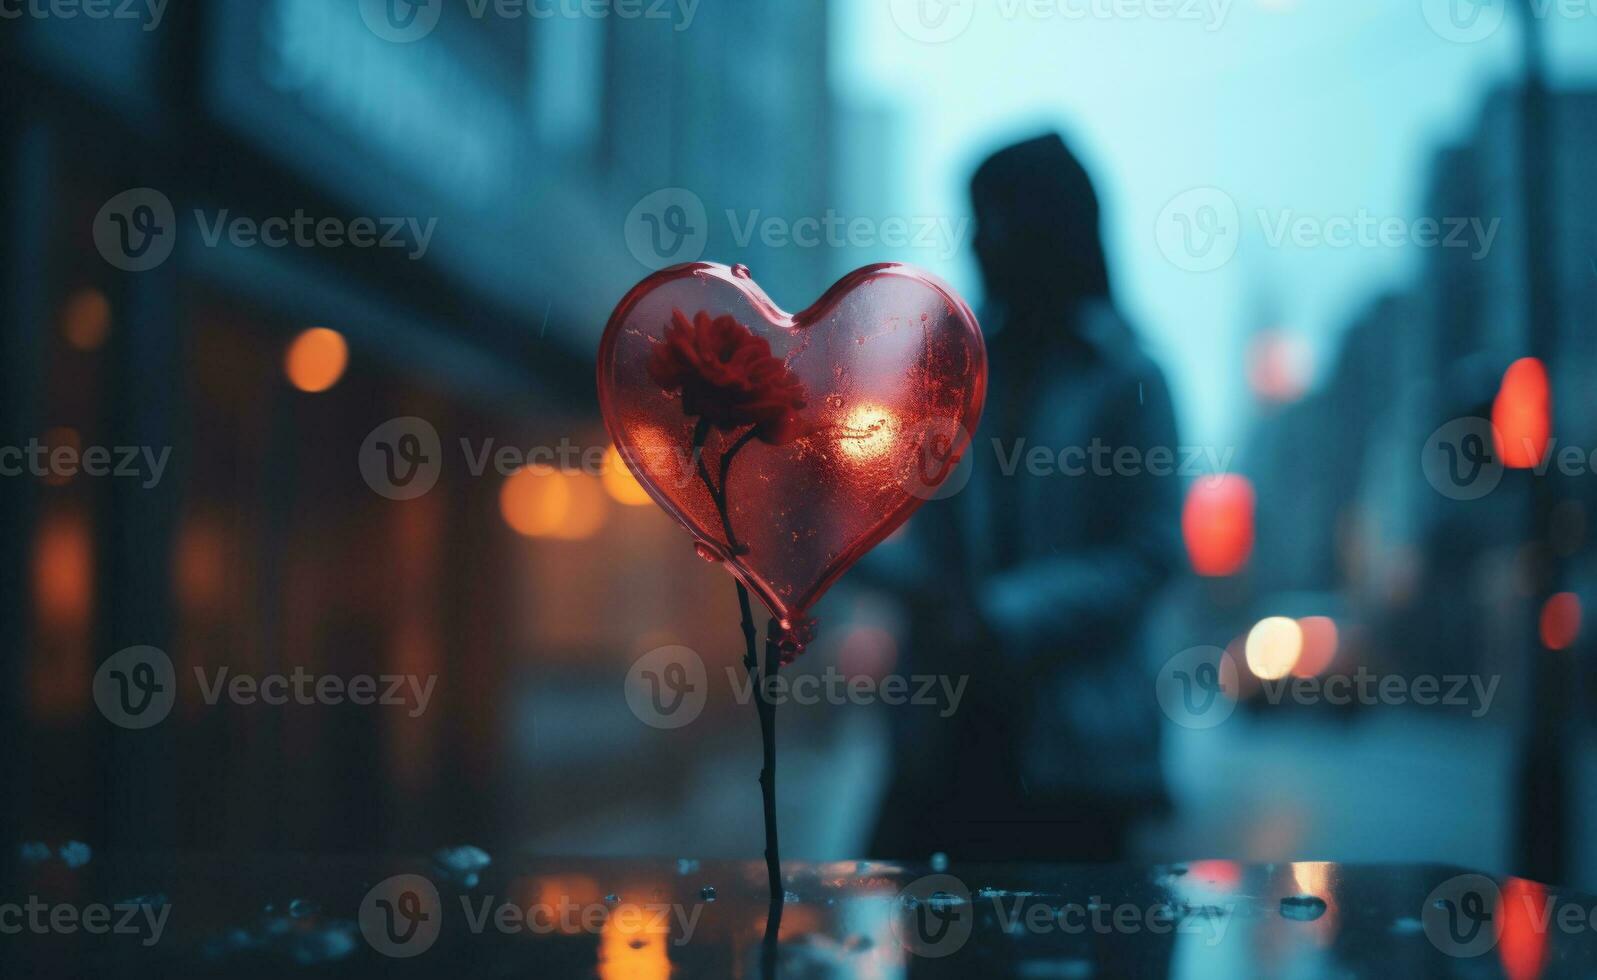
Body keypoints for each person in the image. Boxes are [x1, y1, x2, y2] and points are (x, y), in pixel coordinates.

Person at [867, 132, 1183, 862]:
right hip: (946, 749)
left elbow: (1149, 555)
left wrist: (997, 613)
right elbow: (925, 549)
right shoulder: (953, 373)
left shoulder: (1127, 378)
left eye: (993, 219)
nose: (976, 243)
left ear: (1050, 230)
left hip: (1079, 756)